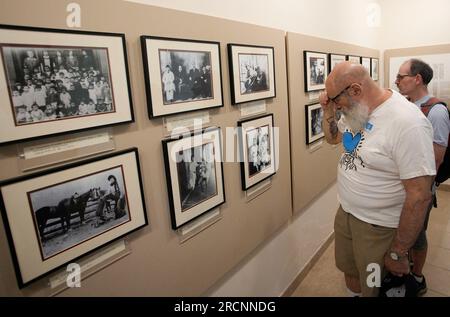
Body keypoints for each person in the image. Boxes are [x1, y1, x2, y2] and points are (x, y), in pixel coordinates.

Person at [319, 62, 435, 297]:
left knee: (374, 284)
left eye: (335, 99)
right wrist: (328, 109)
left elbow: (420, 195)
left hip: (378, 227)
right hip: (347, 213)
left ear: (355, 90)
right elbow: (333, 138)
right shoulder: (357, 109)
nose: (335, 105)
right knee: (350, 271)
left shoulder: (408, 123)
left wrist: (398, 252)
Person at [395, 58, 450, 295]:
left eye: (401, 77)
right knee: (402, 231)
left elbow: (436, 160)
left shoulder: (436, 112)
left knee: (417, 233)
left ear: (417, 79)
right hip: (400, 186)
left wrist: (421, 192)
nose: (396, 81)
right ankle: (402, 268)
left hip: (420, 189)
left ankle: (417, 277)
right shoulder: (403, 105)